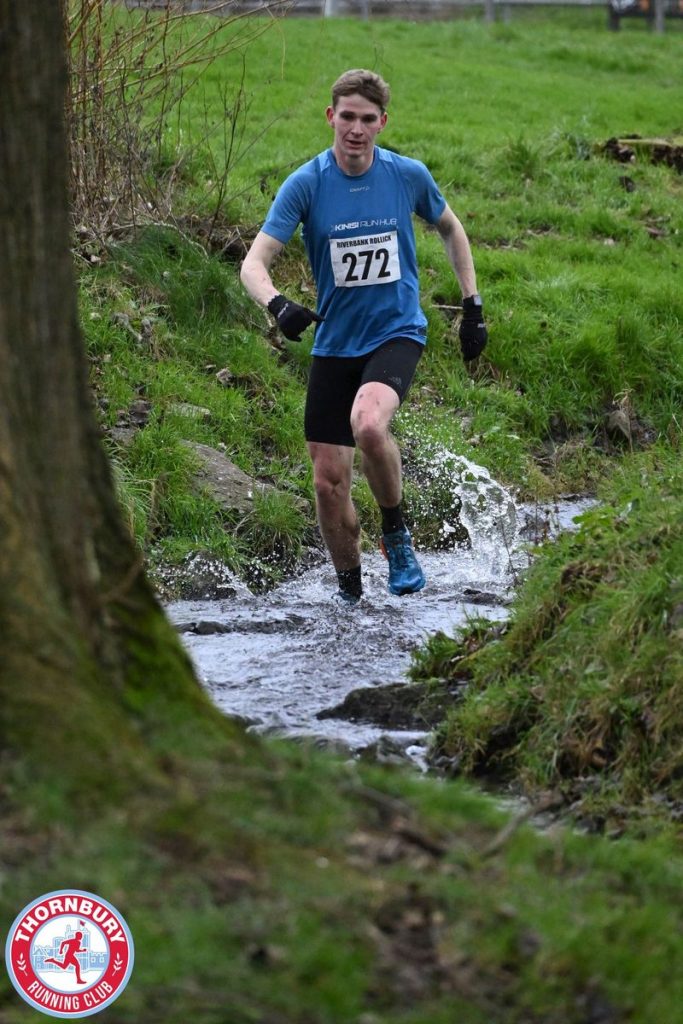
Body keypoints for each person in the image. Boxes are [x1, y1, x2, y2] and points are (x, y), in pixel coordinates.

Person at [240, 69, 487, 605]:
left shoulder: (406, 175)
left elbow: (451, 228)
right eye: (347, 117)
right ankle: (350, 598)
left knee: (368, 425)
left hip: (395, 332)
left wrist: (472, 306)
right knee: (328, 484)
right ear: (331, 117)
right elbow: (253, 264)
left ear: (382, 123)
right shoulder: (307, 183)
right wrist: (277, 304)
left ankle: (396, 536)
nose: (356, 129)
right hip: (334, 344)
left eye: (367, 119)